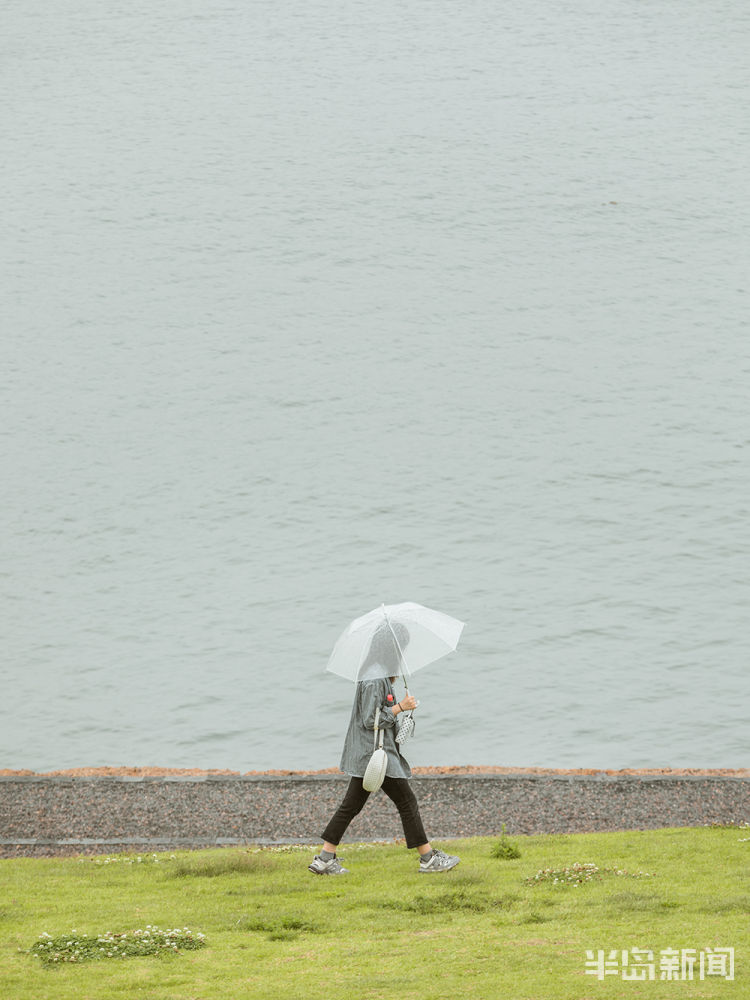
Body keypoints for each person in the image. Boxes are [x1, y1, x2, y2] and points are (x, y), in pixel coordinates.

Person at [309, 621, 460, 875]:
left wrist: (399, 706)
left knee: (353, 805)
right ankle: (428, 859)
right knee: (406, 801)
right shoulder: (374, 677)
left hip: (372, 753)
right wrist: (401, 707)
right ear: (392, 648)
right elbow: (371, 720)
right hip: (375, 754)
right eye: (402, 647)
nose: (404, 652)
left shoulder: (379, 672)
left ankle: (325, 858)